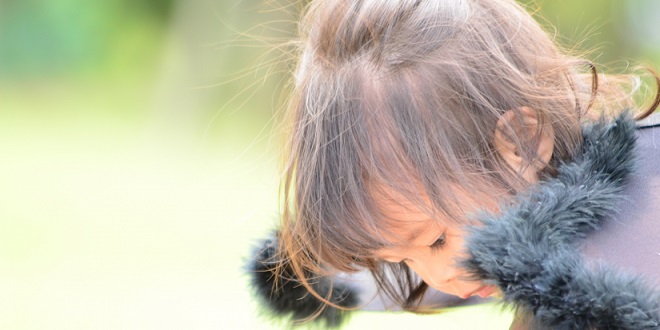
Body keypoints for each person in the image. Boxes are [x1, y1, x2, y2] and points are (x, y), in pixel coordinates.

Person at [247, 0, 660, 328]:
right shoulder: (522, 236)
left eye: (436, 241)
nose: (435, 278)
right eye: (401, 259)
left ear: (524, 144)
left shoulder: (624, 265)